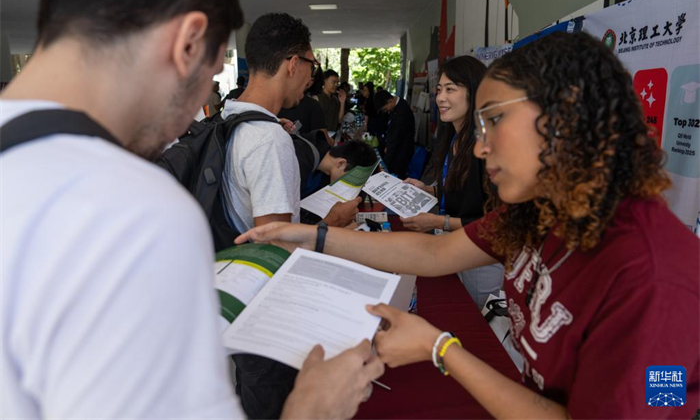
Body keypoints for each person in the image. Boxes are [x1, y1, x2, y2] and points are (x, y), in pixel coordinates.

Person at [236, 31, 700, 419]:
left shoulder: (659, 278)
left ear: (565, 115)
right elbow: (438, 253)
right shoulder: (544, 211)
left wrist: (441, 349)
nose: (481, 148)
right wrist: (313, 235)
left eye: (495, 120)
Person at [0, 0, 383, 419]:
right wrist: (312, 407)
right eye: (213, 69)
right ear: (188, 41)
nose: (201, 106)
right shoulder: (131, 211)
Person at [220, 12, 361, 418]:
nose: (312, 79)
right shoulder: (267, 140)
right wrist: (331, 225)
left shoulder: (227, 116)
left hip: (231, 290)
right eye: (312, 66)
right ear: (293, 63)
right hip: (264, 310)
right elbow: (275, 245)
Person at [402, 56, 502, 309]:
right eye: (438, 90)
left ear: (475, 92)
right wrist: (430, 189)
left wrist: (437, 222)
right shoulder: (454, 137)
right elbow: (465, 192)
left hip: (483, 258)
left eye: (450, 90)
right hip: (457, 247)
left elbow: (495, 219)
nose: (440, 98)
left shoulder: (486, 145)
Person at [375, 89, 415, 179]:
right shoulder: (396, 105)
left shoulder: (402, 112)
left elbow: (395, 138)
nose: (386, 111)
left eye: (385, 109)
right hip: (396, 146)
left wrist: (385, 164)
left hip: (401, 151)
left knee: (397, 176)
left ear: (390, 101)